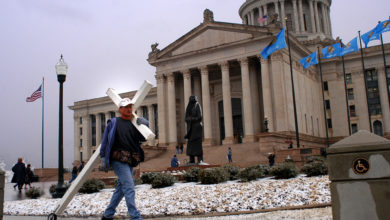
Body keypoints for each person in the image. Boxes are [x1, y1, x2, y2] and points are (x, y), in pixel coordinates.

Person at [100, 98, 148, 220]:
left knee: (121, 189)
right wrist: (103, 157)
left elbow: (142, 139)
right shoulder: (114, 122)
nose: (128, 109)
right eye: (126, 107)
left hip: (131, 159)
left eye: (130, 107)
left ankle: (108, 214)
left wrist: (145, 125)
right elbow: (105, 140)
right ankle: (135, 217)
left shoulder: (134, 123)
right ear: (120, 109)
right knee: (129, 187)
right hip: (118, 159)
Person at [184, 95, 203, 164]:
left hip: (197, 128)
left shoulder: (197, 105)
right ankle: (191, 160)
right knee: (190, 145)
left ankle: (200, 159)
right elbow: (186, 118)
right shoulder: (188, 107)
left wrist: (191, 119)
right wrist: (191, 119)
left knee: (198, 144)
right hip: (190, 129)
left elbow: (200, 117)